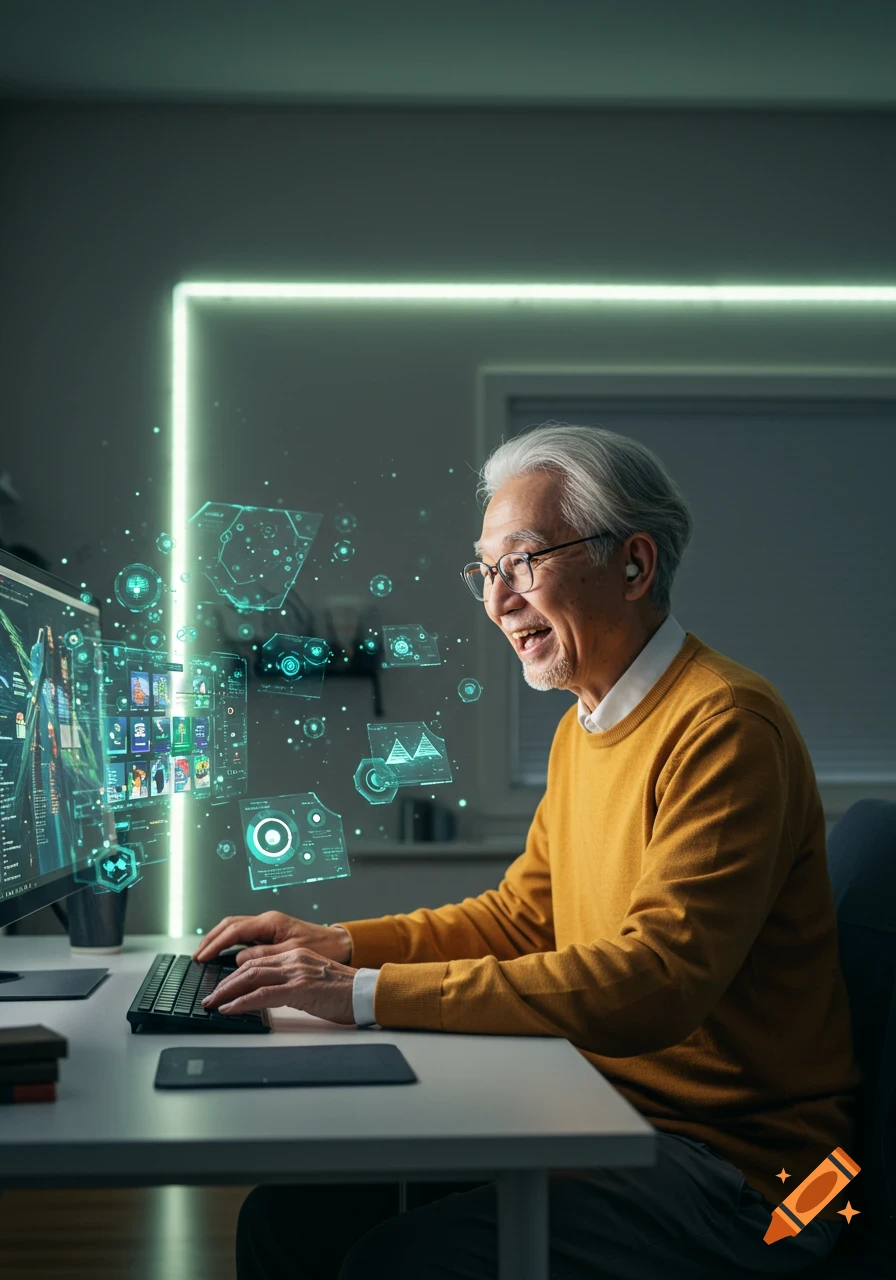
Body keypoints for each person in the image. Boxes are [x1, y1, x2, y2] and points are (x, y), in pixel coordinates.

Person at [196, 424, 860, 1279]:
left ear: (635, 566)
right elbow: (522, 918)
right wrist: (341, 945)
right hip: (609, 1115)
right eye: (486, 571)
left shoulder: (724, 724)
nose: (498, 599)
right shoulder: (584, 727)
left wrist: (361, 993)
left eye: (525, 562)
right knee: (290, 1224)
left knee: (397, 1262)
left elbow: (657, 982)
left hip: (762, 1179)